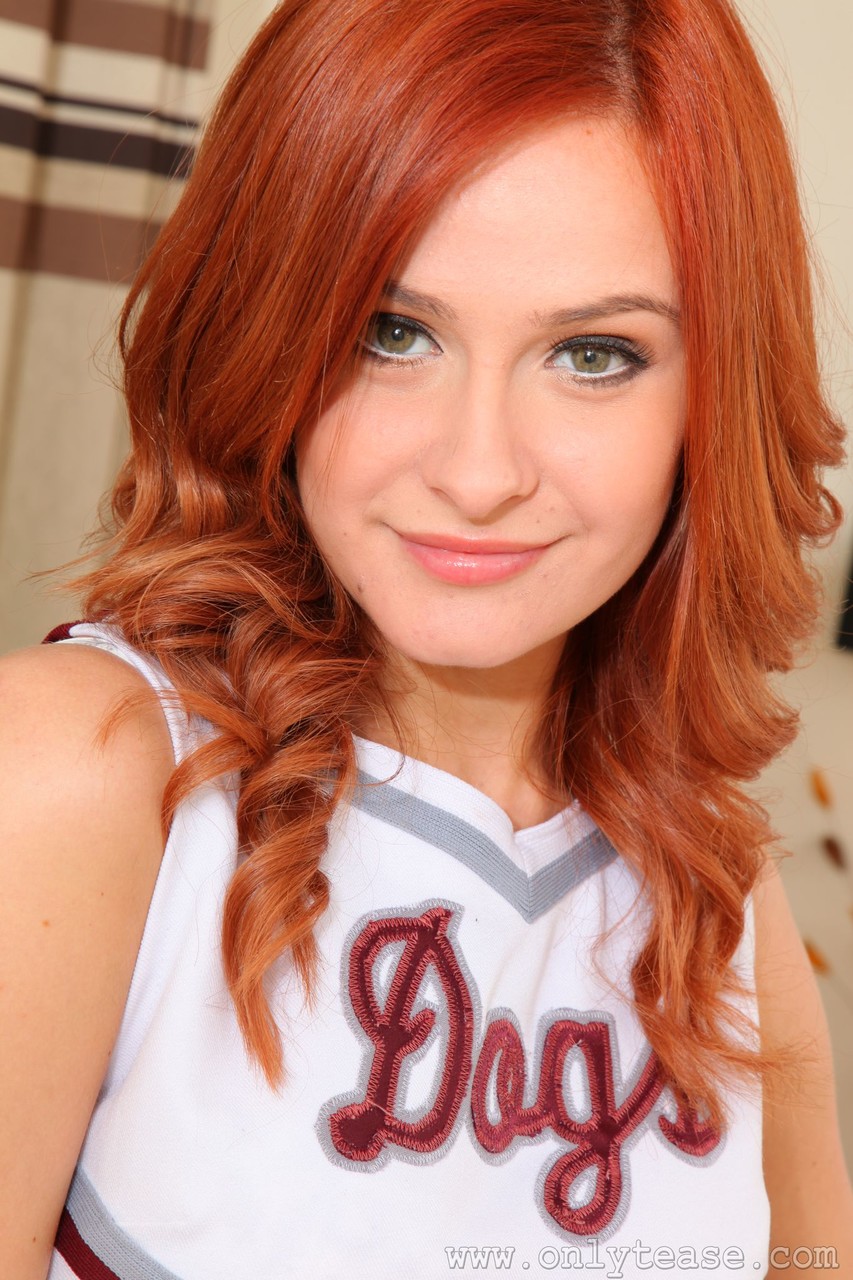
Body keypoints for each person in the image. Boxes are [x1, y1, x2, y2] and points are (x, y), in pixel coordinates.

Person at [2, 0, 852, 1276]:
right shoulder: (78, 770)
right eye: (389, 333)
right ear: (262, 331)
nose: (477, 470)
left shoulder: (716, 883)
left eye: (593, 353)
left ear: (713, 397)